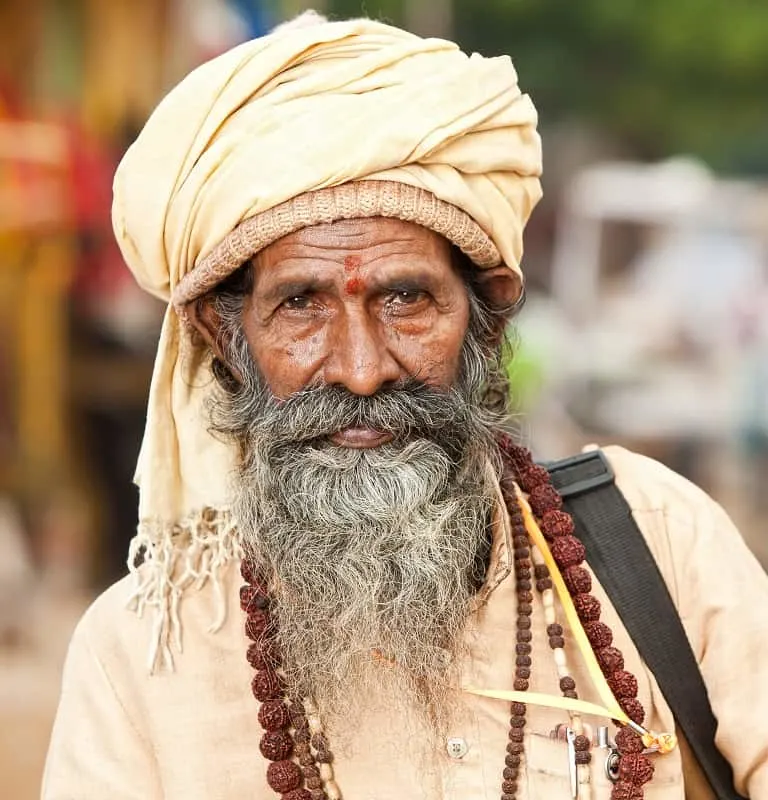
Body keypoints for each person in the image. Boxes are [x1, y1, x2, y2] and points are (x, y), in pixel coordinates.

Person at [42, 12, 768, 800]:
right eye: (301, 307)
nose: (360, 372)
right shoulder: (142, 656)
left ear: (484, 317)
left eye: (405, 299)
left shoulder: (657, 540)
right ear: (225, 337)